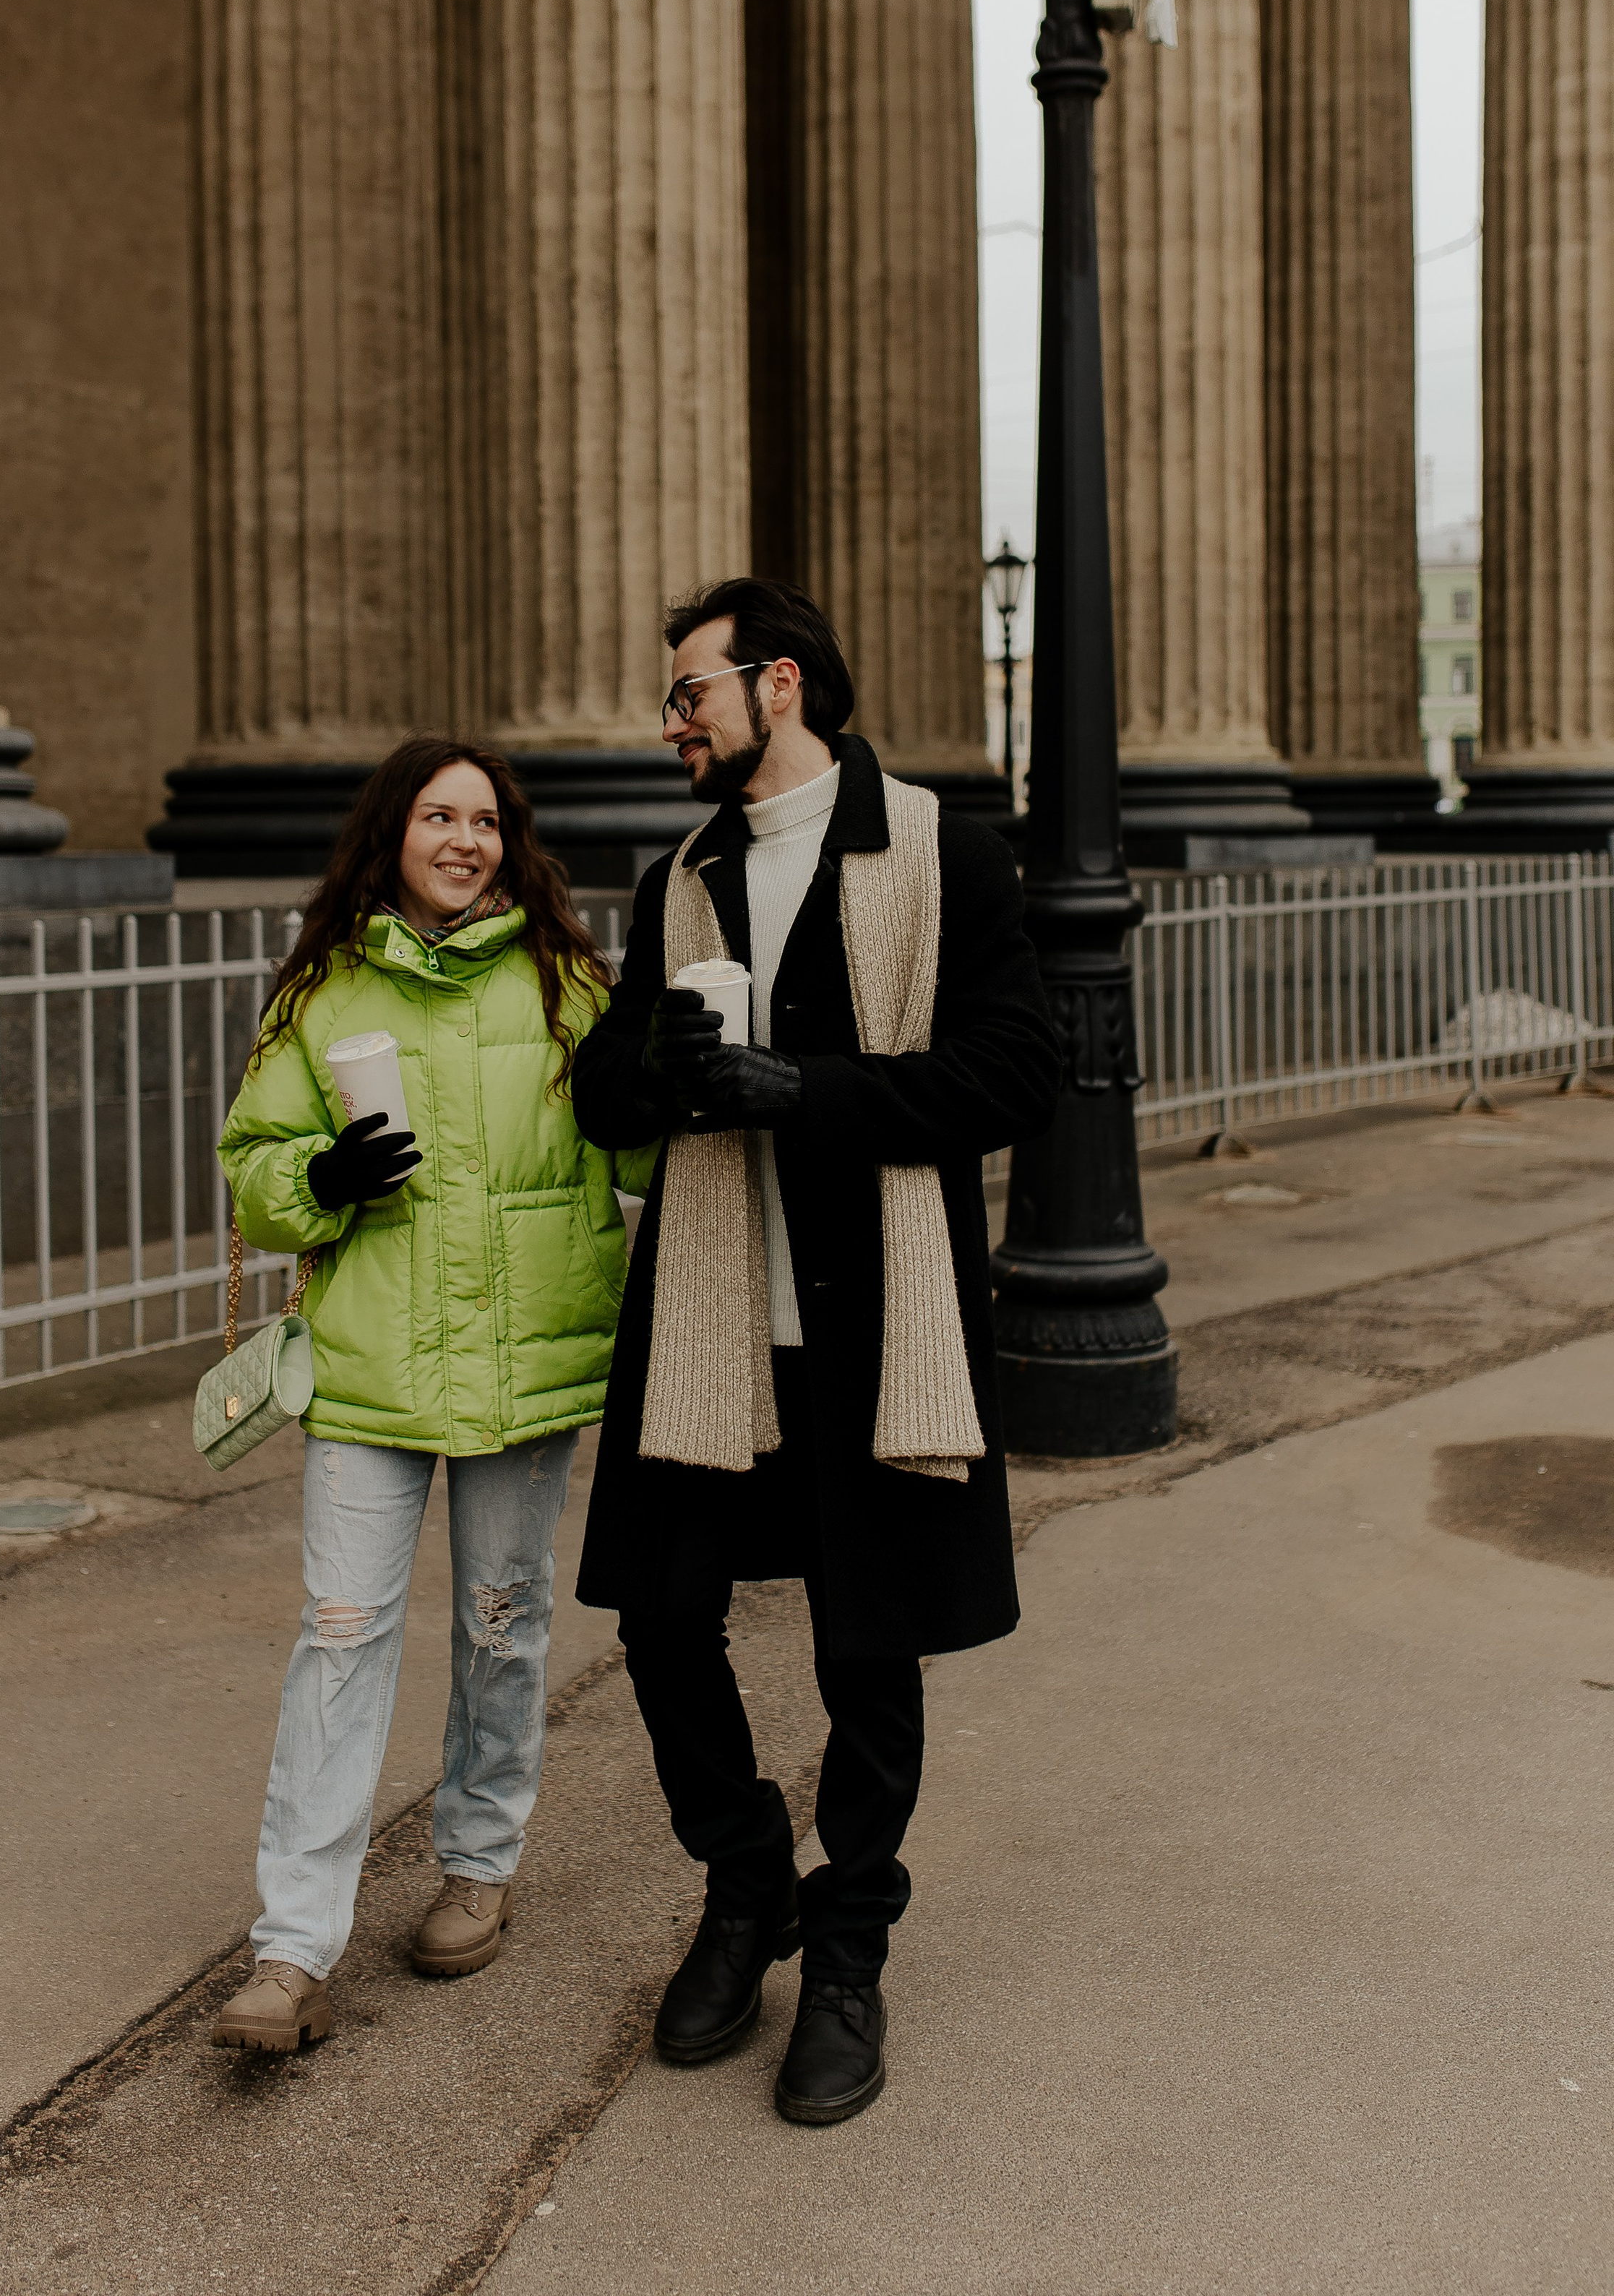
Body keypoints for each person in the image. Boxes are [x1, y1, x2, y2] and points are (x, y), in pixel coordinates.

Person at [570, 580, 1061, 2125]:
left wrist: (810, 1094)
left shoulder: (938, 849)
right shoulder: (685, 875)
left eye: (687, 696)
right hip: (709, 1324)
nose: (669, 725)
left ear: (775, 685)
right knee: (657, 1616)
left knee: (868, 1648)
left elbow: (1012, 1075)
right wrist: (645, 1064)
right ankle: (742, 1890)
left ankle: (845, 1954)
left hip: (871, 1322)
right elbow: (601, 1099)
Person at [210, 736, 651, 2053]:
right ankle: (292, 1951)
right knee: (341, 1633)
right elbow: (251, 1164)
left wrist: (669, 1069)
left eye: (488, 820)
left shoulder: (567, 980)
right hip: (372, 1368)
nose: (465, 839)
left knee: (502, 1626)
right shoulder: (322, 990)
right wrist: (320, 1184)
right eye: (438, 815)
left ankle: (479, 1865)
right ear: (389, 834)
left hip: (531, 1360)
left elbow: (627, 1145)